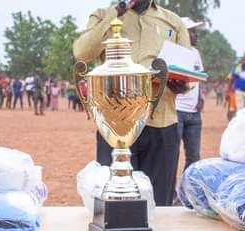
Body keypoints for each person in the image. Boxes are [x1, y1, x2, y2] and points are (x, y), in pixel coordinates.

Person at [74, 0, 189, 214]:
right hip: (115, 126)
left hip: (162, 123)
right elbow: (82, 52)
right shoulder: (102, 16)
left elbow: (187, 68)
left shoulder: (173, 22)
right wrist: (116, 12)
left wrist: (183, 84)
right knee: (114, 205)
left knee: (160, 205)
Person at [175, 17, 205, 172]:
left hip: (194, 114)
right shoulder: (173, 52)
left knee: (194, 158)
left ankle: (186, 192)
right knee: (172, 155)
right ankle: (170, 193)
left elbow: (199, 78)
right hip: (176, 111)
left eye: (196, 32)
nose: (196, 35)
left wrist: (201, 97)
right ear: (183, 33)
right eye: (192, 32)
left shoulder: (196, 53)